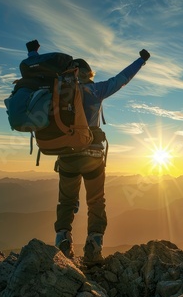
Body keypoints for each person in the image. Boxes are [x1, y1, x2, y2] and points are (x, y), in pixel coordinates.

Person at [49, 45, 151, 265]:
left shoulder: (58, 93)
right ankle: (94, 248)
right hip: (93, 156)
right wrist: (140, 61)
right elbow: (122, 78)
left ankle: (62, 244)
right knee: (96, 202)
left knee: (66, 201)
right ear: (87, 74)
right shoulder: (94, 91)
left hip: (66, 156)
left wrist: (32, 55)